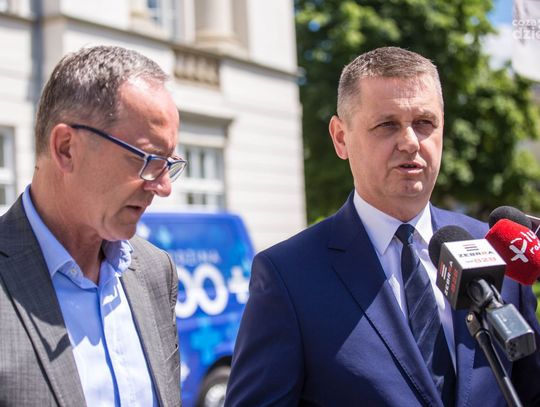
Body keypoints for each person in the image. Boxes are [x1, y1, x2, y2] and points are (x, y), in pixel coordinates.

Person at [225, 47, 540, 406]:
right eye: (387, 125)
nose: (410, 142)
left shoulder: (498, 247)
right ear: (340, 138)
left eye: (425, 123)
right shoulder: (289, 276)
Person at [0, 45, 185, 406]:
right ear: (66, 148)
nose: (163, 187)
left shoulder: (155, 271)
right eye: (148, 159)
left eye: (168, 164)